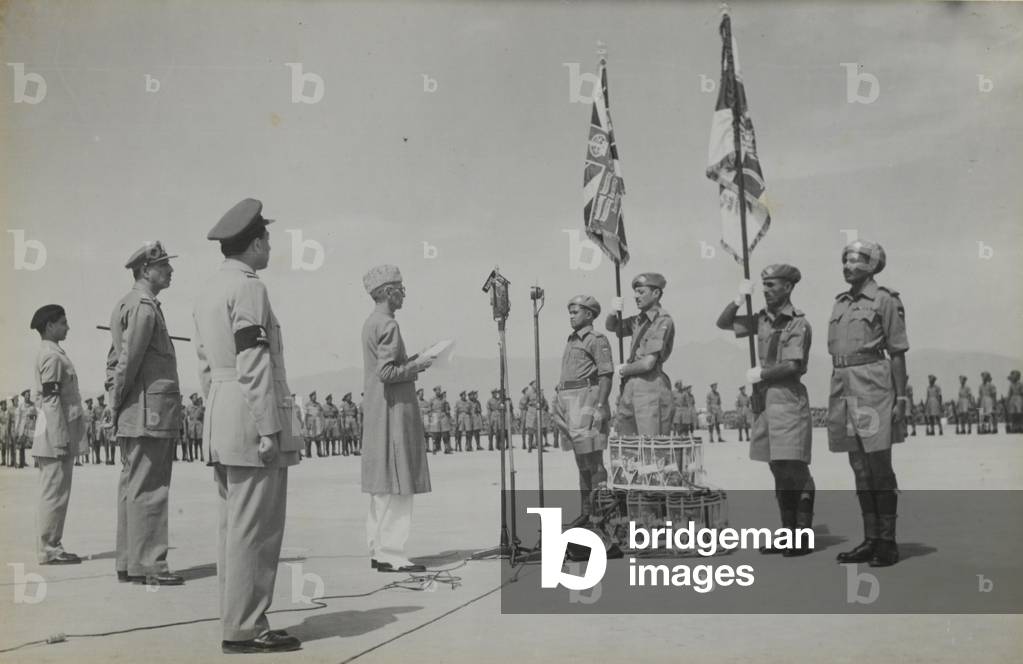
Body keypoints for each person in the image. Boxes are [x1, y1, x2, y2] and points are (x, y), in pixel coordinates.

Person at [193, 197, 303, 654]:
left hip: (223, 413)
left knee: (233, 530)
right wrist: (268, 428)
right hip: (251, 416)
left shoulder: (208, 290)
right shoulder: (249, 288)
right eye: (268, 239)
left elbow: (205, 366)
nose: (271, 247)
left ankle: (236, 620)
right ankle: (247, 627)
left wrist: (222, 413)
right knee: (256, 531)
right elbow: (254, 362)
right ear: (255, 244)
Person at [718, 265, 816, 556]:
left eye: (772, 285)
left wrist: (762, 374)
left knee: (794, 468)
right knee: (777, 468)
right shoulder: (760, 320)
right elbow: (724, 323)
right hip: (764, 401)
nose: (766, 290)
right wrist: (738, 299)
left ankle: (803, 536)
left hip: (787, 397)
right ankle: (788, 533)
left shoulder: (797, 323)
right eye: (764, 285)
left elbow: (793, 365)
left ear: (788, 287)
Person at [105, 240, 184, 586]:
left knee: (133, 487)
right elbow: (127, 362)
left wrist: (117, 403)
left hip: (137, 412)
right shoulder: (144, 308)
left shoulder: (128, 303)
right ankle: (150, 564)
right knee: (150, 488)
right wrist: (115, 403)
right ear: (145, 270)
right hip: (148, 413)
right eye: (164, 265)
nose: (170, 270)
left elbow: (114, 361)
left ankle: (130, 562)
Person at [826, 240, 907, 568]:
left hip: (872, 386)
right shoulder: (841, 302)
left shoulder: (886, 300)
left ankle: (887, 542)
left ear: (872, 266)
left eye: (855, 261)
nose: (847, 266)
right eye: (845, 261)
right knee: (858, 467)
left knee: (878, 466)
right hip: (842, 386)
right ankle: (870, 538)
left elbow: (897, 352)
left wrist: (901, 397)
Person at [360, 264, 433, 573]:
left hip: (379, 410)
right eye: (400, 289)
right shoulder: (389, 325)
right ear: (389, 292)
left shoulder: (371, 322)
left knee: (382, 486)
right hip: (394, 411)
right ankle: (393, 553)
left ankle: (378, 549)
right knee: (400, 483)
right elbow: (387, 372)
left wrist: (412, 360)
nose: (403, 294)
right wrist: (418, 366)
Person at [30, 304, 86, 565]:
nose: (68, 327)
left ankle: (52, 545)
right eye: (63, 322)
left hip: (54, 433)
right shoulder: (52, 357)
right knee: (54, 494)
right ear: (50, 326)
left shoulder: (52, 353)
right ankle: (49, 549)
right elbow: (51, 400)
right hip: (55, 437)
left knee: (55, 493)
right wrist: (60, 437)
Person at [552, 295, 614, 528]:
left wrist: (600, 405)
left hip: (586, 400)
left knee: (593, 460)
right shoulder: (571, 340)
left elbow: (606, 374)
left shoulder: (596, 339)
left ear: (589, 314)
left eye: (575, 312)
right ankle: (586, 513)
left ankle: (601, 514)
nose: (571, 316)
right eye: (570, 312)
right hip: (568, 402)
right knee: (580, 460)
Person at [605, 273, 675, 436]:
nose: (636, 296)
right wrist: (613, 312)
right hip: (630, 386)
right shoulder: (638, 320)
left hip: (650, 386)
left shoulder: (662, 320)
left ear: (656, 293)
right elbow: (612, 327)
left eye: (641, 292)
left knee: (650, 444)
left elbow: (648, 363)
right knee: (627, 443)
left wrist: (623, 369)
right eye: (635, 292)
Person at [15, 391, 35, 469]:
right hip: (23, 427)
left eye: (29, 395)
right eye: (27, 395)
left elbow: (36, 415)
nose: (28, 397)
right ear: (24, 396)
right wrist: (17, 428)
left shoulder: (33, 405)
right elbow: (18, 418)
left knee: (34, 444)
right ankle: (21, 462)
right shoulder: (21, 406)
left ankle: (36, 462)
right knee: (21, 445)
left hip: (31, 427)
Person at [304, 391, 325, 457]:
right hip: (310, 421)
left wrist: (322, 423)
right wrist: (306, 424)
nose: (315, 397)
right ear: (310, 397)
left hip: (317, 422)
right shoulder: (307, 404)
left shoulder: (318, 404)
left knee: (318, 438)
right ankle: (308, 453)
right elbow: (305, 415)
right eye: (313, 396)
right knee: (308, 438)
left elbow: (322, 413)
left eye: (315, 396)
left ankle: (319, 453)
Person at [0, 399, 10, 467]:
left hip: (8, 429)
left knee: (8, 446)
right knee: (2, 447)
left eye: (5, 404)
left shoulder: (8, 412)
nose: (4, 406)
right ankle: (3, 460)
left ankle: (9, 461)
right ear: (1, 405)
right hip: (1, 430)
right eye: (3, 404)